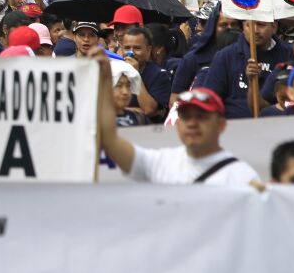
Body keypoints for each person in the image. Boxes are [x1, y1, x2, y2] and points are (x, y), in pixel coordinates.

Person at [96, 54, 261, 185]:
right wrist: (104, 83)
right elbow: (110, 141)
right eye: (185, 117)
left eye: (201, 117)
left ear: (221, 125)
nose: (192, 123)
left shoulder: (242, 177)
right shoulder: (161, 163)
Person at [204, 20, 292, 118]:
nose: (255, 30)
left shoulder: (288, 55)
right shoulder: (225, 56)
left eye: (261, 25)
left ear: (274, 27)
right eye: (249, 25)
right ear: (243, 27)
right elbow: (210, 99)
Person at [121, 27, 172, 118]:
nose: (131, 53)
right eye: (127, 48)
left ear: (148, 50)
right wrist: (135, 110)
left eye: (137, 48)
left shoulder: (159, 75)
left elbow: (148, 110)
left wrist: (135, 74)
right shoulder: (115, 71)